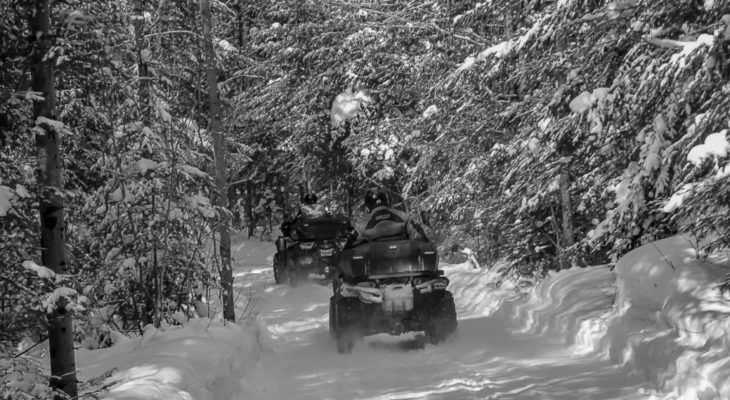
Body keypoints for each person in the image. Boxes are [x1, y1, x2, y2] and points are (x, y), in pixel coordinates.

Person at [354, 188, 429, 243]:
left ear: (368, 204)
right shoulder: (402, 215)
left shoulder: (363, 223)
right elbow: (417, 235)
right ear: (387, 200)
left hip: (376, 261)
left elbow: (355, 242)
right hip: (403, 257)